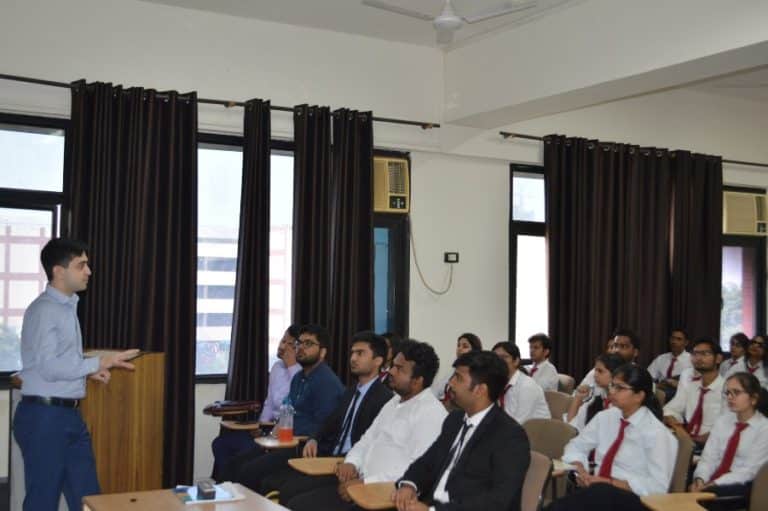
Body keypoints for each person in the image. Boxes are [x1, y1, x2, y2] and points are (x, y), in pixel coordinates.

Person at [14, 238, 139, 511]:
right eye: (81, 265)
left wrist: (88, 372)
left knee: (88, 499)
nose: (89, 271)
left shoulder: (67, 306)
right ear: (59, 271)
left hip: (67, 416)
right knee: (43, 501)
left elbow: (60, 360)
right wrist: (97, 362)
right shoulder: (45, 310)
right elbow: (48, 367)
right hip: (45, 418)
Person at [285, 340, 447, 511]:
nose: (391, 371)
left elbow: (416, 471)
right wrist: (352, 462)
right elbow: (367, 439)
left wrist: (365, 483)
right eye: (393, 365)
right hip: (359, 481)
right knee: (292, 494)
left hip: (382, 496)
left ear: (417, 381)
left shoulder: (431, 414)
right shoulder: (394, 402)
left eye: (399, 369)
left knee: (299, 506)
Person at [254, 332, 393, 500]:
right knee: (270, 481)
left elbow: (373, 444)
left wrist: (353, 464)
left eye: (360, 353)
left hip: (350, 466)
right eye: (352, 353)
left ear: (378, 361)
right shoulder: (350, 392)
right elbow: (329, 422)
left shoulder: (385, 399)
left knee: (290, 492)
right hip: (329, 457)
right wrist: (314, 438)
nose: (353, 358)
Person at [393, 350, 531, 511]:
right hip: (429, 504)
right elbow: (428, 462)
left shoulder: (509, 436)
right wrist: (409, 484)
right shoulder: (455, 420)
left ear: (480, 390)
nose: (450, 383)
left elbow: (497, 501)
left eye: (458, 378)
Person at [220, 324, 344, 483]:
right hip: (284, 441)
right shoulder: (298, 378)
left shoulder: (327, 382)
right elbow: (287, 413)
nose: (301, 348)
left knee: (249, 471)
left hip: (304, 448)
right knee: (234, 464)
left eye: (308, 344)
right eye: (299, 343)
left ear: (322, 352)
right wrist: (270, 438)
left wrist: (287, 439)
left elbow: (324, 427)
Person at [549, 364, 677, 511]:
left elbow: (658, 487)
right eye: (612, 385)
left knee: (593, 495)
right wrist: (580, 468)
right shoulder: (606, 417)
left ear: (639, 396)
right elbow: (576, 446)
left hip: (634, 499)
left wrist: (611, 483)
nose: (612, 391)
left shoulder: (657, 433)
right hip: (598, 492)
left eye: (620, 388)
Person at [210, 325, 301, 479]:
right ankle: (229, 483)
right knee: (220, 444)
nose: (283, 346)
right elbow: (269, 403)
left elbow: (297, 402)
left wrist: (292, 365)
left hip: (283, 433)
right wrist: (259, 426)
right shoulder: (277, 367)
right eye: (283, 340)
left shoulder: (300, 373)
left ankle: (233, 483)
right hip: (267, 428)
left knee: (245, 457)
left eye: (289, 344)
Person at [691, 372, 768, 511]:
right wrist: (700, 478)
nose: (730, 397)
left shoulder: (764, 429)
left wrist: (714, 483)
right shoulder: (723, 421)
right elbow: (709, 457)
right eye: (728, 393)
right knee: (691, 484)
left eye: (736, 392)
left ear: (753, 398)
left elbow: (749, 471)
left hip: (742, 483)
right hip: (713, 478)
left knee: (709, 498)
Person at [663, 338, 724, 445]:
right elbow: (670, 409)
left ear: (718, 358)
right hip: (687, 438)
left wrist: (701, 440)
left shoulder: (727, 390)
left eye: (705, 353)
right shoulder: (692, 385)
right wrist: (678, 428)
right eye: (695, 354)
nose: (698, 358)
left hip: (713, 443)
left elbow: (728, 426)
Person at [492, 341, 550, 424]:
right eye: (495, 357)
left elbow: (518, 423)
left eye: (504, 357)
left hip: (533, 430)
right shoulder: (499, 382)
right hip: (509, 426)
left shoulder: (527, 386)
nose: (498, 361)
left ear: (516, 361)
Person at [566, 353, 625, 431]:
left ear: (616, 374)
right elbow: (571, 425)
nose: (595, 375)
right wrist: (577, 399)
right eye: (595, 370)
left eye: (600, 371)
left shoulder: (622, 405)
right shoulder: (597, 396)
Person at [436, 333, 482, 407]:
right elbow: (437, 391)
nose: (459, 349)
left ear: (475, 351)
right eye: (458, 345)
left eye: (465, 346)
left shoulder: (477, 373)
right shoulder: (453, 370)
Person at [647, 329, 692, 401]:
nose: (674, 342)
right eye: (672, 338)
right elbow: (648, 377)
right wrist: (656, 386)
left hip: (681, 395)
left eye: (679, 339)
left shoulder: (692, 360)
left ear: (686, 343)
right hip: (660, 392)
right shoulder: (661, 358)